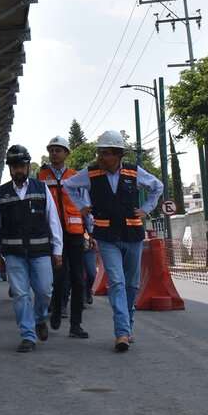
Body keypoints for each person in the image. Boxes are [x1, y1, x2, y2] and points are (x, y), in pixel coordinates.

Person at [63, 129, 163, 352]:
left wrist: (146, 209)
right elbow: (68, 186)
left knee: (131, 284)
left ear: (118, 154)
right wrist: (82, 206)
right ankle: (121, 333)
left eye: (106, 153)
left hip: (133, 235)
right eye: (100, 153)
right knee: (116, 282)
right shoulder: (91, 173)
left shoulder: (134, 172)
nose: (101, 157)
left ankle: (128, 326)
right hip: (106, 237)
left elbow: (158, 187)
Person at [0, 144, 63, 353]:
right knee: (21, 294)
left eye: (22, 165)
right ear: (10, 169)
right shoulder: (1, 194)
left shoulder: (41, 189)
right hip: (14, 254)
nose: (18, 170)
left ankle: (40, 318)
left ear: (28, 166)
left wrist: (57, 250)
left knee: (44, 290)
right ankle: (27, 335)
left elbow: (53, 221)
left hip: (41, 252)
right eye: (14, 166)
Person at [38, 135, 89, 339]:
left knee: (78, 279)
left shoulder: (75, 176)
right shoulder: (40, 176)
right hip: (52, 235)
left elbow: (85, 205)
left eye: (58, 150)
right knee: (57, 278)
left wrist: (90, 231)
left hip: (74, 234)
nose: (54, 153)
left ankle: (76, 324)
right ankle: (57, 310)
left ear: (67, 153)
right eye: (51, 150)